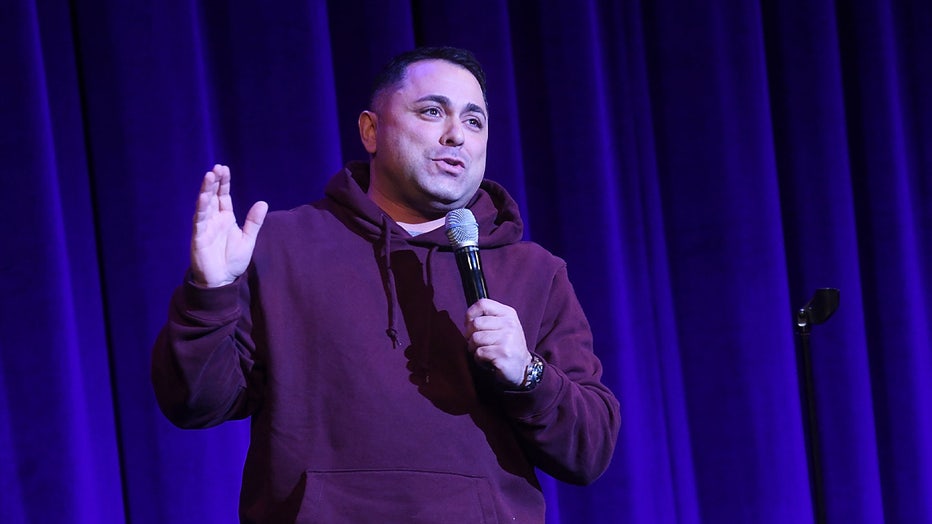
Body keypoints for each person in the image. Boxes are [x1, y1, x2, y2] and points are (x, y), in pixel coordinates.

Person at [151, 46, 620, 523]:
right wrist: (209, 294)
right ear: (371, 130)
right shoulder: (282, 246)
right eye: (432, 111)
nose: (456, 135)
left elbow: (590, 450)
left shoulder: (534, 271)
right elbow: (195, 404)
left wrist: (526, 372)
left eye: (474, 121)